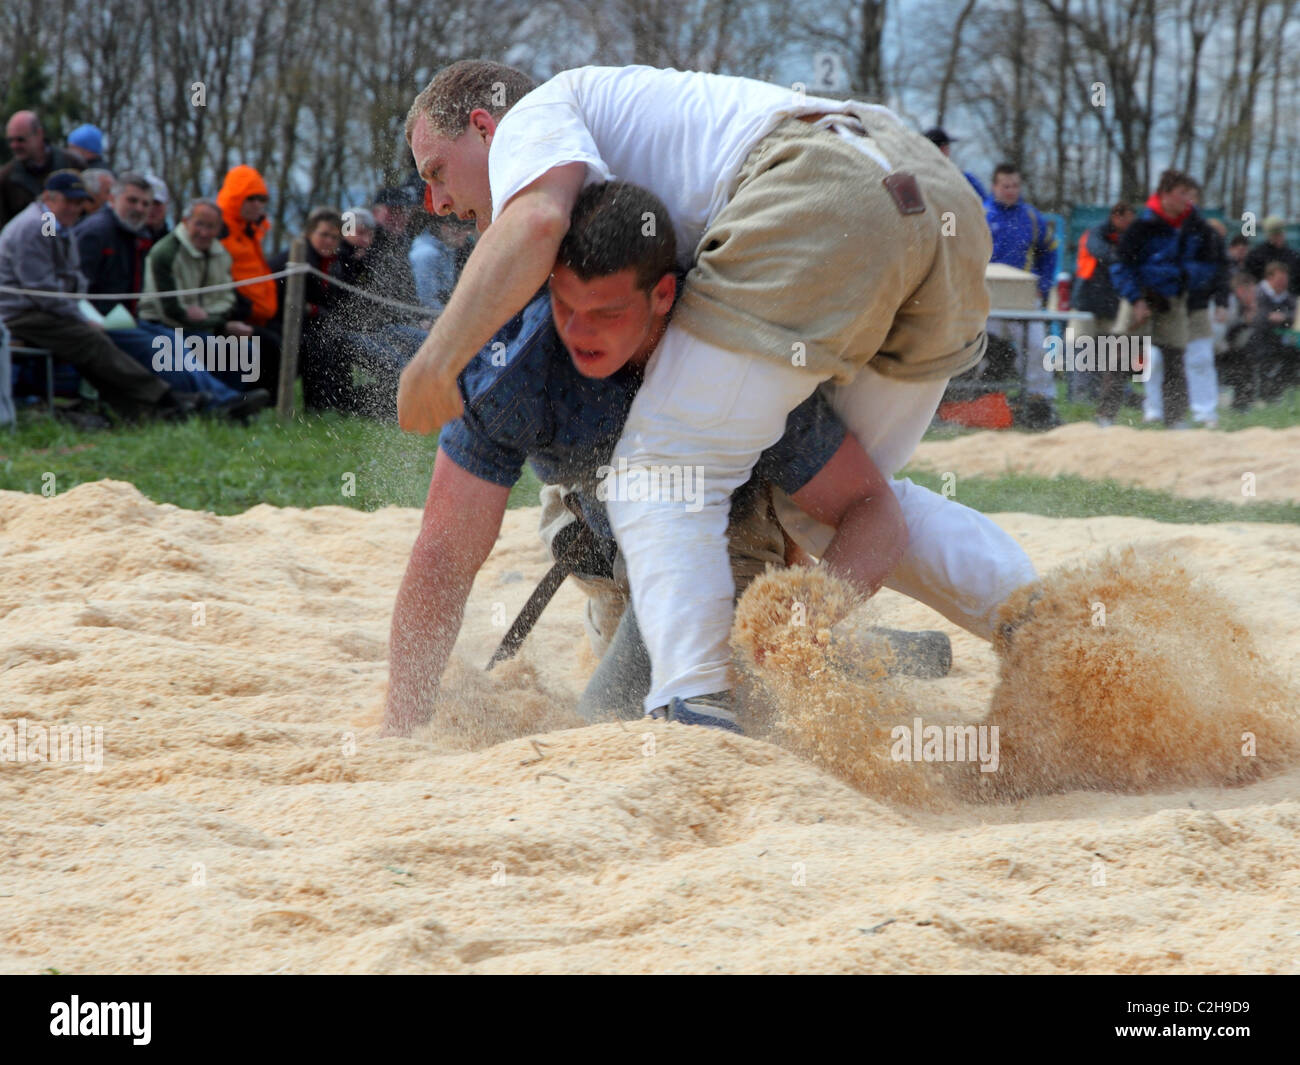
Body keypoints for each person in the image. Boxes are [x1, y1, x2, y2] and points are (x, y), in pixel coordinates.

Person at [397, 61, 996, 728]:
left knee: (663, 478)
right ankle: (1035, 620)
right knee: (827, 513)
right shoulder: (612, 274)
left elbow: (535, 220)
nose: (437, 203)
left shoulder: (538, 119)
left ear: (485, 126)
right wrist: (808, 619)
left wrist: (434, 362)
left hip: (828, 190)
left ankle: (700, 704)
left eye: (436, 173)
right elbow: (871, 513)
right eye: (569, 308)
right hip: (935, 198)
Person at [0, 171, 198, 422]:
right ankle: (163, 398)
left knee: (93, 341)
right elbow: (42, 290)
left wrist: (79, 306)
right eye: (68, 201)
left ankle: (142, 410)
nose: (75, 208)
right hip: (20, 314)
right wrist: (82, 317)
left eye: (79, 201)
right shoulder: (34, 227)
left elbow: (72, 276)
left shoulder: (53, 223)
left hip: (44, 310)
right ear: (50, 197)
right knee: (91, 340)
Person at [75, 172, 266, 417]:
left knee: (217, 346)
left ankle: (225, 400)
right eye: (132, 201)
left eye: (146, 203)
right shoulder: (99, 232)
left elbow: (228, 298)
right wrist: (216, 321)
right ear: (112, 199)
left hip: (130, 318)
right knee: (167, 347)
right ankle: (217, 404)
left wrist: (211, 317)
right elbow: (74, 288)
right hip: (106, 321)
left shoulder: (136, 234)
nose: (140, 208)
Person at [1111, 169, 1217, 429]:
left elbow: (1208, 262)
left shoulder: (1195, 226)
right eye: (1182, 194)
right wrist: (1137, 299)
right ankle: (1106, 416)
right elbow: (1121, 265)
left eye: (1190, 195)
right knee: (1120, 356)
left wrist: (1183, 278)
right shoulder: (1142, 225)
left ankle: (1175, 419)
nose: (1187, 200)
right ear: (1165, 194)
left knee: (1174, 358)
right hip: (1138, 295)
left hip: (1173, 299)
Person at [983, 162, 1059, 413]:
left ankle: (1041, 399)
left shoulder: (1031, 216)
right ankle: (981, 398)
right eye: (1005, 186)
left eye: (1015, 185)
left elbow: (1050, 251)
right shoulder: (981, 214)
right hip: (987, 297)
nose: (1011, 190)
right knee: (981, 349)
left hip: (1023, 298)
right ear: (994, 187)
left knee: (1037, 346)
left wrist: (1044, 286)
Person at [270, 207, 348, 412]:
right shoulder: (295, 258)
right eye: (323, 235)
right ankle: (316, 407)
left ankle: (338, 403)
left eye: (334, 237)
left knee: (338, 339)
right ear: (309, 233)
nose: (329, 241)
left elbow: (334, 300)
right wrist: (314, 311)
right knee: (317, 345)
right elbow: (282, 300)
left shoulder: (335, 264)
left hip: (314, 323)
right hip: (281, 322)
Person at [1072, 201, 1135, 426]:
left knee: (1112, 349)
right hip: (1087, 296)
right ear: (1116, 217)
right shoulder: (1096, 233)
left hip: (1110, 299)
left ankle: (1106, 393)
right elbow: (1098, 252)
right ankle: (1079, 394)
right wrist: (1122, 257)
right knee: (1083, 348)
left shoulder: (1126, 238)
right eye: (1127, 219)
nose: (1130, 225)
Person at [1, 111, 81, 227]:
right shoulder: (6, 178)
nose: (14, 146)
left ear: (39, 134)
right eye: (10, 140)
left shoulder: (72, 164)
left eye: (20, 139)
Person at [1252, 262, 1298, 401]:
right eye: (1280, 280)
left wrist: (1283, 317)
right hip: (1259, 337)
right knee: (1266, 352)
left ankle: (1278, 391)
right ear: (1269, 278)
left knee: (1293, 353)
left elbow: (1294, 316)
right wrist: (1274, 317)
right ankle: (1265, 393)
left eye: (1285, 280)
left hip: (1280, 338)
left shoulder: (1287, 297)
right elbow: (1260, 317)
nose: (1283, 283)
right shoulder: (1259, 293)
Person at [922, 126, 986, 200]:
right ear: (942, 148)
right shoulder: (962, 178)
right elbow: (983, 204)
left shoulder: (918, 179)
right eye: (946, 147)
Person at [1243, 217, 1300, 295]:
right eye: (1275, 234)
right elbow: (1249, 278)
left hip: (1289, 298)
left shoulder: (1292, 256)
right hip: (1263, 298)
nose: (1278, 237)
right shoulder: (1256, 255)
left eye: (1279, 234)